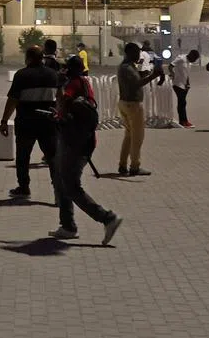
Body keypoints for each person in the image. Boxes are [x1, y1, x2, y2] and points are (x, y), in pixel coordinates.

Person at [49, 55, 122, 243]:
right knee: (63, 180)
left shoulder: (72, 84)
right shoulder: (85, 83)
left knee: (71, 186)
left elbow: (63, 105)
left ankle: (106, 218)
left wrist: (58, 102)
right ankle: (67, 225)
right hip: (85, 141)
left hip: (74, 143)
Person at [0, 44, 60, 199]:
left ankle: (24, 187)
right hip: (48, 123)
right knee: (53, 158)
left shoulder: (22, 75)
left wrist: (4, 121)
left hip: (26, 122)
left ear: (29, 58)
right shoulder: (53, 75)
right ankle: (59, 191)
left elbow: (12, 100)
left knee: (23, 156)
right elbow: (60, 98)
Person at [116, 41, 156, 176]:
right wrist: (153, 76)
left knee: (128, 136)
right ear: (130, 53)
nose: (139, 54)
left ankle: (122, 165)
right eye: (137, 52)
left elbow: (135, 79)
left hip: (125, 103)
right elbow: (136, 84)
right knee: (137, 137)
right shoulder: (127, 68)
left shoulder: (127, 66)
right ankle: (134, 166)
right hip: (133, 105)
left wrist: (145, 74)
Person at [170, 50, 199, 128]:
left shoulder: (189, 62)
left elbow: (186, 74)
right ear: (191, 55)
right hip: (177, 84)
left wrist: (188, 83)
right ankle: (184, 121)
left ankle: (183, 121)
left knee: (182, 103)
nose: (194, 61)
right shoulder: (181, 58)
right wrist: (173, 75)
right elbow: (171, 65)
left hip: (184, 85)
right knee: (182, 102)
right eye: (194, 59)